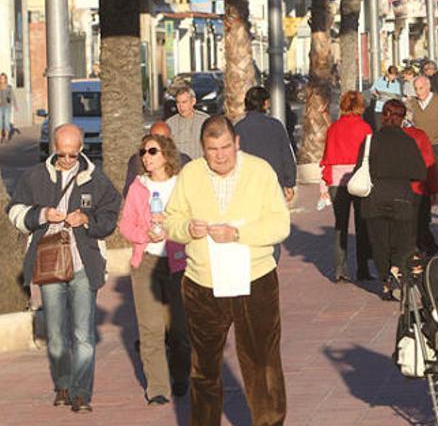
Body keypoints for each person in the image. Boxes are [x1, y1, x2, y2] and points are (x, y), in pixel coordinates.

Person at [164, 116, 290, 425]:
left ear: (236, 143)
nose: (220, 155)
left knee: (262, 363)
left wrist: (238, 235)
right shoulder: (191, 174)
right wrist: (186, 228)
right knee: (204, 368)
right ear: (202, 149)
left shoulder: (260, 171)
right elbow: (171, 220)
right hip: (202, 284)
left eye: (225, 147)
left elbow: (280, 224)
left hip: (254, 280)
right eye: (212, 149)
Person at [7, 123, 121, 413]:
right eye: (62, 154)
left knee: (83, 334)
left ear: (81, 149)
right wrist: (42, 214)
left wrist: (86, 220)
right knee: (56, 336)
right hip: (49, 264)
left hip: (84, 264)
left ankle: (81, 393)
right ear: (53, 149)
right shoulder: (35, 177)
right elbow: (15, 211)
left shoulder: (95, 180)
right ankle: (63, 384)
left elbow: (110, 214)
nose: (67, 160)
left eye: (72, 154)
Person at [118, 134, 190, 404]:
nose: (146, 157)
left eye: (152, 151)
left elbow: (193, 219)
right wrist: (146, 234)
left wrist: (172, 227)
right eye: (143, 152)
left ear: (166, 154)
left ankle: (181, 373)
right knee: (150, 329)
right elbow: (125, 226)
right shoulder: (138, 187)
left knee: (180, 330)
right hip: (146, 263)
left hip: (179, 263)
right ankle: (158, 388)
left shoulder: (182, 185)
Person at [358, 99, 426, 300]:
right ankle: (396, 269)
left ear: (383, 116)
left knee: (379, 242)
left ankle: (385, 281)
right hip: (401, 195)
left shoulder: (371, 140)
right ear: (402, 118)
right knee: (402, 240)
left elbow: (360, 169)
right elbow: (420, 172)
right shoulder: (408, 141)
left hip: (375, 195)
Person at [319, 90, 374, 282]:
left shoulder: (334, 128)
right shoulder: (365, 128)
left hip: (337, 180)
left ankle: (340, 269)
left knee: (340, 225)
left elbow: (327, 155)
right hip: (359, 178)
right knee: (362, 224)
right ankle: (363, 269)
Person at [234, 86, 298, 204]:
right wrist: (290, 183)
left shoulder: (239, 128)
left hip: (248, 185)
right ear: (266, 103)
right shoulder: (276, 125)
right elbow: (286, 154)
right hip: (274, 183)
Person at [402, 119, 438, 258]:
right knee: (421, 223)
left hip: (399, 188)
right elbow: (429, 162)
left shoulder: (388, 135)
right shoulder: (419, 135)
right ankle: (426, 250)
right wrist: (434, 189)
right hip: (419, 187)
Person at [124, 121, 191, 197]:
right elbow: (128, 193)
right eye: (154, 138)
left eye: (163, 140)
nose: (147, 157)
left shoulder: (184, 161)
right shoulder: (136, 162)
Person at [166, 86, 210, 159]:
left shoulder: (205, 121)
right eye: (178, 103)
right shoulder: (170, 124)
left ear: (193, 101)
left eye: (184, 102)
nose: (181, 107)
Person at [0, 73, 15, 142]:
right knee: (0, 122)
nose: (2, 80)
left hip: (7, 107)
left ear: (6, 79)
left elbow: (12, 96)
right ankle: (0, 137)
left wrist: (15, 105)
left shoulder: (9, 87)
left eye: (3, 78)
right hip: (0, 106)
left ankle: (6, 137)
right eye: (1, 78)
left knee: (6, 121)